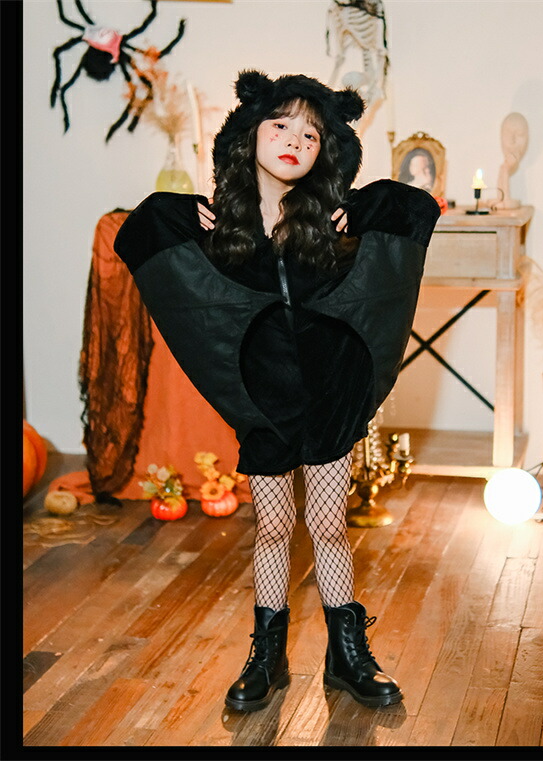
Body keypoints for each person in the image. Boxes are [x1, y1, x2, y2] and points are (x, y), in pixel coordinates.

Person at [114, 69, 440, 712]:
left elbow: (414, 208)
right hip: (264, 398)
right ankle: (267, 657)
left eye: (311, 135)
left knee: (327, 525)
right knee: (271, 528)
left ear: (326, 152)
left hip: (329, 392)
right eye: (281, 125)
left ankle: (347, 655)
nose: (295, 140)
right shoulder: (221, 227)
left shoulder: (328, 221)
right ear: (249, 134)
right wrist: (177, 210)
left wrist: (358, 207)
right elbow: (142, 230)